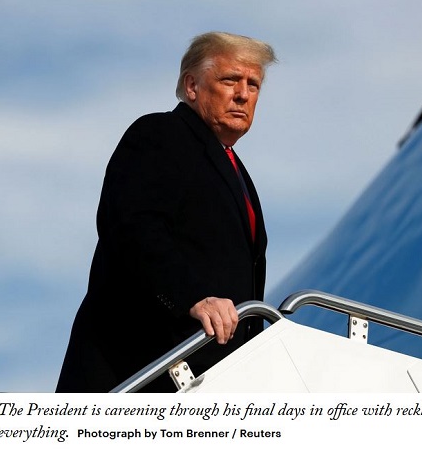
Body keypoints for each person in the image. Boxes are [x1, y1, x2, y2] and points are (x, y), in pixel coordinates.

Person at [56, 32, 277, 392]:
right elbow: (132, 229)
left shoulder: (235, 169)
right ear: (192, 86)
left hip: (212, 379)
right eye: (229, 80)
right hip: (138, 370)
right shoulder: (160, 134)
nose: (243, 94)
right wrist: (192, 297)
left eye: (253, 85)